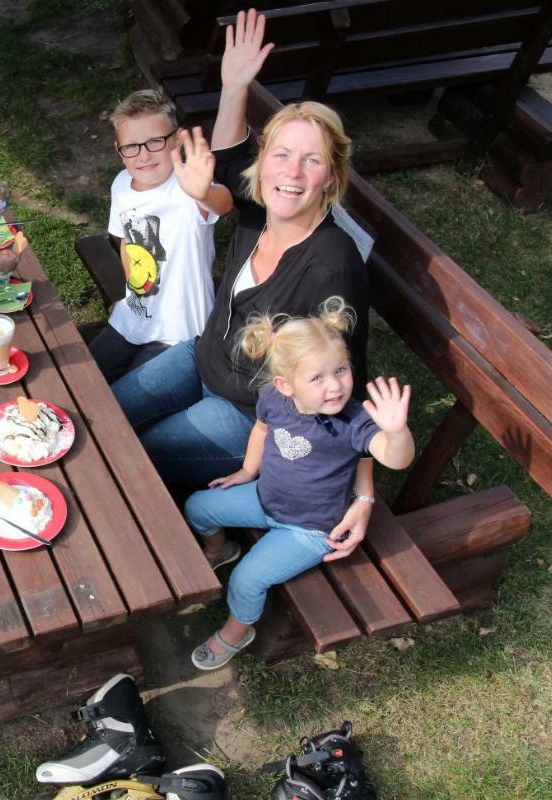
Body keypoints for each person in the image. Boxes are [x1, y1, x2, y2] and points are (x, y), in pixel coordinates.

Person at [110, 9, 376, 560]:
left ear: (331, 176)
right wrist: (234, 85)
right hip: (200, 357)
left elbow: (344, 382)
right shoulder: (264, 207)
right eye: (281, 155)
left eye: (311, 161)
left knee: (127, 455)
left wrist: (364, 493)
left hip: (245, 414)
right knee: (105, 413)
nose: (292, 173)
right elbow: (228, 164)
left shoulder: (331, 263)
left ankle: (199, 546)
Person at [183, 300, 414, 669]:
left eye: (341, 369)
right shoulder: (273, 399)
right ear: (284, 384)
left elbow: (393, 457)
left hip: (310, 528)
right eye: (318, 377)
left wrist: (397, 431)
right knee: (197, 505)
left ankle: (238, 631)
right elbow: (261, 429)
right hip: (265, 498)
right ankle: (220, 550)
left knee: (246, 581)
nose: (335, 385)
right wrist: (246, 472)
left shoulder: (353, 421)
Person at [89, 87, 233, 384]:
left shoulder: (187, 190)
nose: (143, 155)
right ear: (119, 150)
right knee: (83, 382)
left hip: (179, 335)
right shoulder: (121, 184)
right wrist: (132, 294)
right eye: (131, 147)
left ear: (177, 140)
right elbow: (127, 241)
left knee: (120, 402)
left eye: (154, 142)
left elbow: (222, 203)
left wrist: (204, 190)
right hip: (133, 319)